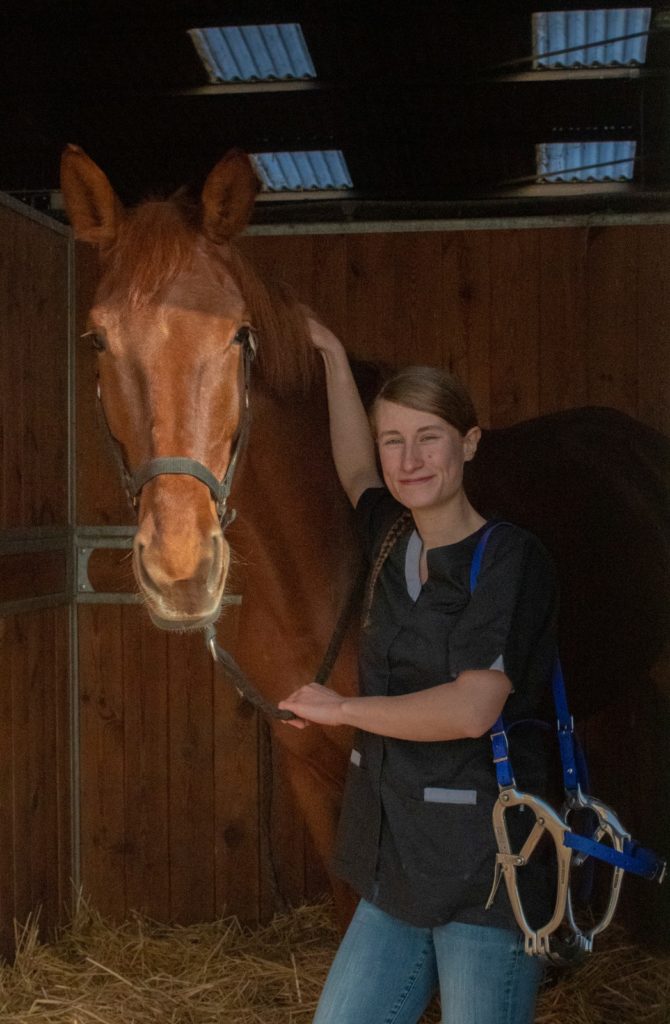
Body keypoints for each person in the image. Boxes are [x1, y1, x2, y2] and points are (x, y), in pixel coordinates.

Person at [278, 322, 558, 1024]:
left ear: (468, 442)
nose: (409, 459)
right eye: (393, 440)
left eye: (428, 437)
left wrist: (340, 712)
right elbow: (353, 473)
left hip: (484, 872)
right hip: (394, 863)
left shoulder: (509, 560)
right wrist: (335, 360)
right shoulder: (391, 535)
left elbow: (471, 708)